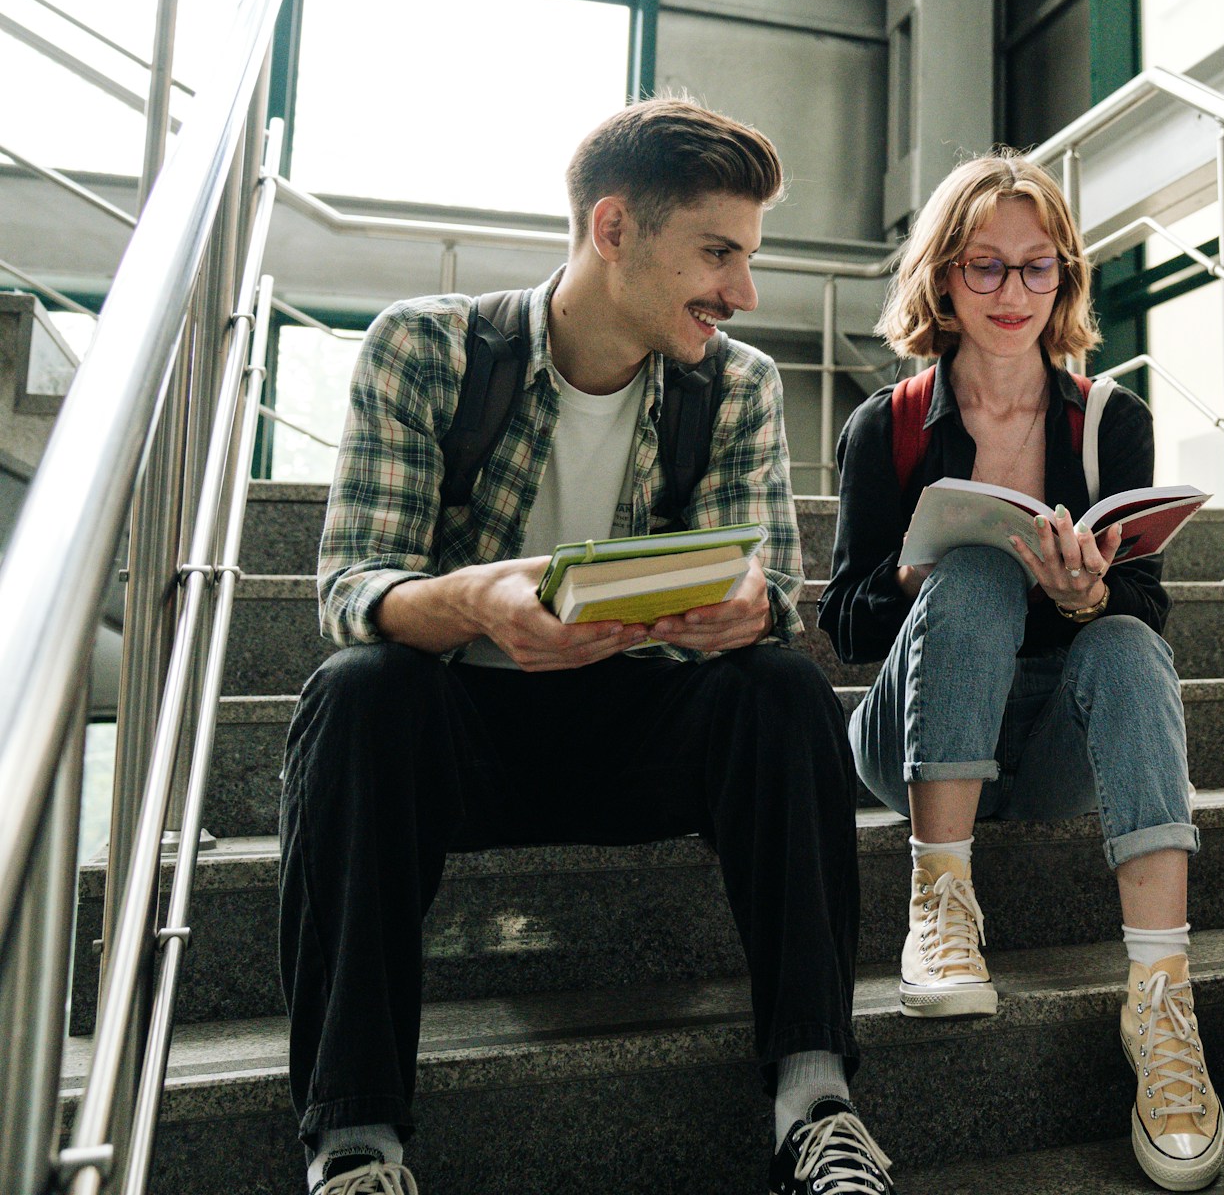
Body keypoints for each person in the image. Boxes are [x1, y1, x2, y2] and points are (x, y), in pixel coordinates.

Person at [289, 100, 889, 1195]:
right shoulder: (426, 348)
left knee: (784, 689)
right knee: (356, 692)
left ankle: (817, 1107)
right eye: (718, 254)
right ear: (613, 228)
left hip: (641, 731)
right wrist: (476, 600)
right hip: (460, 738)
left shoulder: (737, 382)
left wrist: (745, 608)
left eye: (748, 259)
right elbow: (350, 586)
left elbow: (778, 589)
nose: (743, 293)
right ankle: (356, 1145)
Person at [819, 150, 1223, 1190]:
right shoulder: (889, 424)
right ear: (945, 279)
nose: (1012, 293)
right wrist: (915, 576)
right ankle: (940, 902)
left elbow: (1144, 603)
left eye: (1037, 269)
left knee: (1129, 642)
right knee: (975, 578)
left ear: (1067, 280)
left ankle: (1163, 1003)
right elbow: (842, 624)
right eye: (986, 267)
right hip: (904, 736)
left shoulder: (1106, 422)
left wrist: (1092, 595)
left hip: (1042, 743)